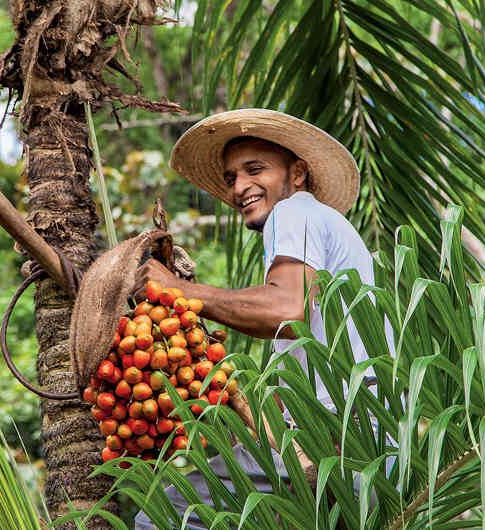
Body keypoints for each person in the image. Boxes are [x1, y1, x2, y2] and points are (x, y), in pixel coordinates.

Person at [132, 109, 393, 529]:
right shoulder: (324, 231)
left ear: (298, 173)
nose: (239, 187)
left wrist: (179, 290)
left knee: (159, 519)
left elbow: (287, 311)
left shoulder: (295, 211)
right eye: (232, 177)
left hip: (337, 440)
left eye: (255, 170)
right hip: (375, 450)